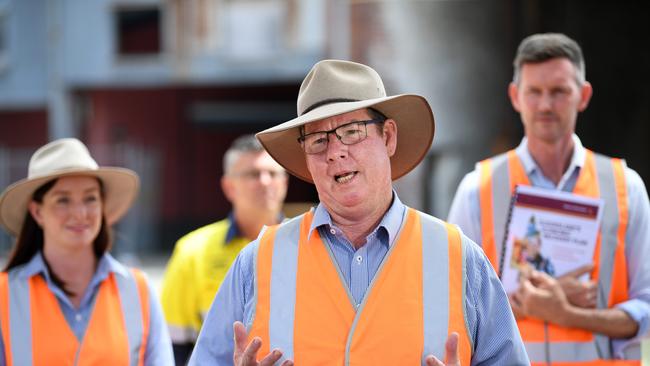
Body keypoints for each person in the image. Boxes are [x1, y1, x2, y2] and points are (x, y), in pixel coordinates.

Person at [188, 59, 529, 365]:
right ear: (306, 157)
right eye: (319, 140)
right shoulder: (256, 263)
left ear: (389, 137)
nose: (336, 152)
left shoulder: (460, 258)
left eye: (351, 132)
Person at [448, 33, 650, 364]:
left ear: (583, 96)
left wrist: (567, 313)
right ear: (515, 96)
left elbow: (647, 306)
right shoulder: (476, 189)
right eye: (534, 92)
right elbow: (456, 303)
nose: (545, 105)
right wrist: (537, 301)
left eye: (558, 92)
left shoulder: (626, 187)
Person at [0, 138, 173, 365]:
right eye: (63, 200)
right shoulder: (5, 295)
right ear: (37, 212)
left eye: (90, 198)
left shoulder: (137, 290)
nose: (80, 213)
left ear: (102, 206)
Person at [160, 134, 288, 364]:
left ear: (285, 183)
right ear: (229, 187)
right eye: (253, 174)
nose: (266, 181)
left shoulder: (309, 244)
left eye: (274, 173)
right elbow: (173, 346)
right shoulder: (192, 251)